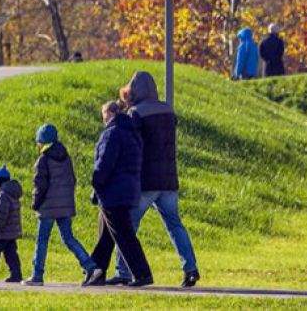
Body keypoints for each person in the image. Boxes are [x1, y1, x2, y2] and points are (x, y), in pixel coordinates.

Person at [113, 71, 199, 287]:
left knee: (127, 226)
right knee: (175, 224)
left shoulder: (135, 114)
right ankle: (190, 268)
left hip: (146, 181)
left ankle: (123, 270)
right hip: (169, 180)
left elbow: (131, 146)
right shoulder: (168, 110)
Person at [84, 101, 153, 287]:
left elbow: (104, 164)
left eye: (104, 114)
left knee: (124, 236)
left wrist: (96, 183)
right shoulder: (132, 133)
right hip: (127, 191)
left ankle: (142, 273)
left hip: (112, 193)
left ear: (111, 112)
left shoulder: (112, 133)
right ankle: (96, 272)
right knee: (106, 236)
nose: (103, 118)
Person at [25, 124, 95, 286]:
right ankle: (89, 265)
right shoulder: (65, 157)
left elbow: (39, 186)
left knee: (42, 240)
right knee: (68, 238)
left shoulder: (43, 160)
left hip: (48, 207)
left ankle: (37, 275)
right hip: (65, 205)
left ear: (42, 142)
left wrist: (35, 204)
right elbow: (72, 180)